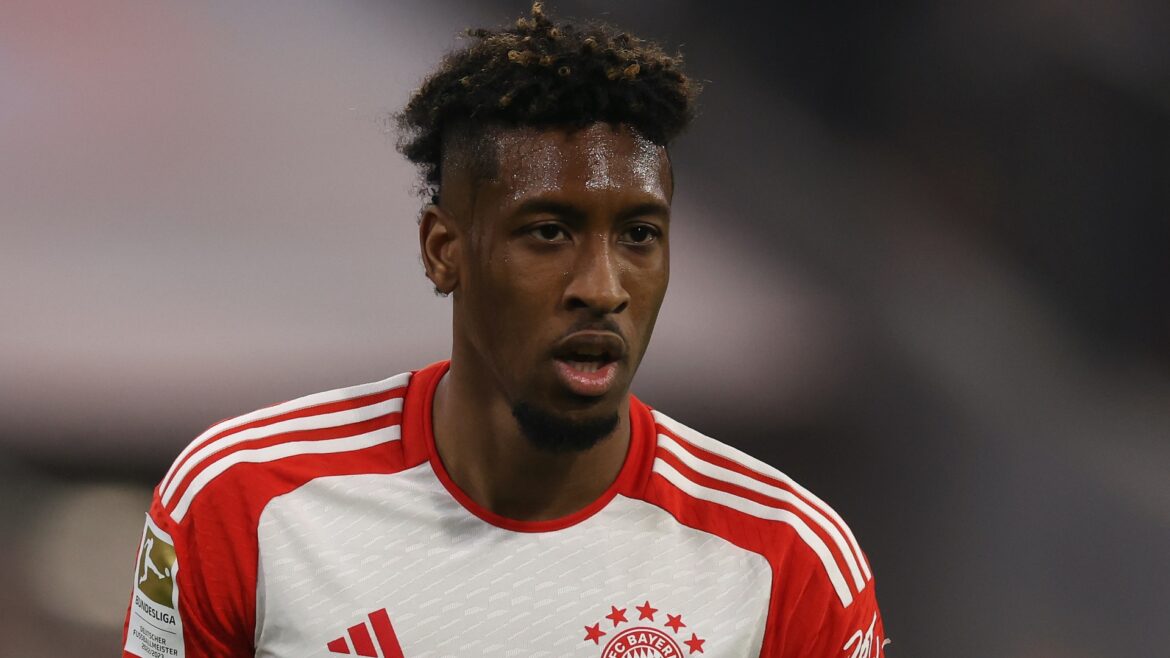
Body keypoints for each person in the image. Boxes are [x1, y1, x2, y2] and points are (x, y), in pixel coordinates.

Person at [122, 4, 886, 657]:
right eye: (549, 232)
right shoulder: (243, 502)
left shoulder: (785, 558)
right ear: (443, 249)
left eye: (639, 235)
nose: (602, 288)